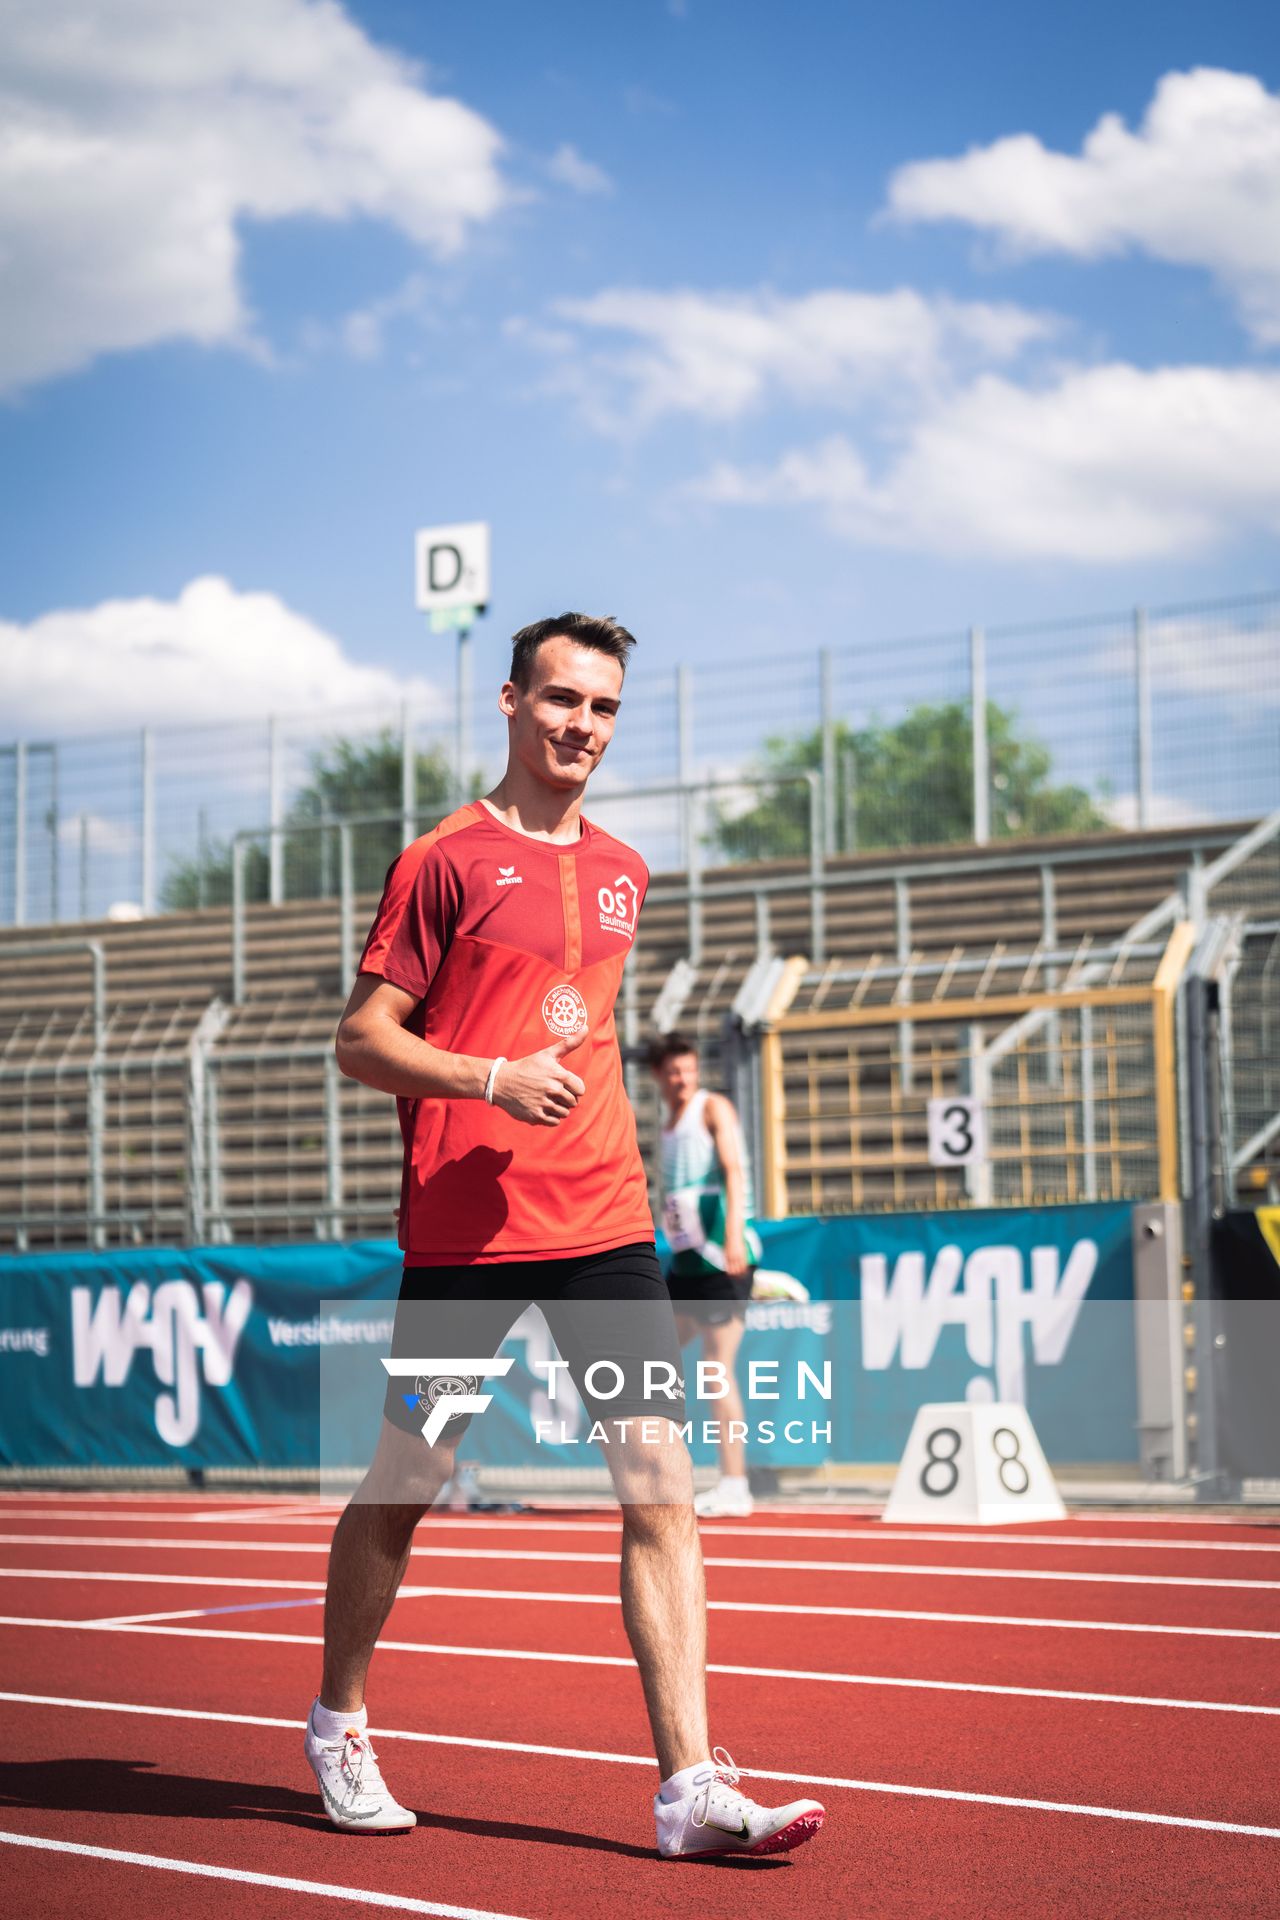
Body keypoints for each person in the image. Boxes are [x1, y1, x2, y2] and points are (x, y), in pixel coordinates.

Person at [305, 612, 825, 1861]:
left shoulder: (627, 869)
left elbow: (579, 1029)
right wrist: (486, 1079)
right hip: (468, 1237)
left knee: (660, 1489)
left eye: (601, 708)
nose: (580, 726)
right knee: (409, 1483)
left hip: (603, 1223)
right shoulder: (441, 859)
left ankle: (688, 1787)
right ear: (507, 700)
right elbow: (360, 1037)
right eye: (559, 700)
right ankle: (338, 1723)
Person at [650, 1032, 762, 1518]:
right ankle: (662, 1473)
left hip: (723, 1258)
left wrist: (735, 1234)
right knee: (655, 1365)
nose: (683, 1078)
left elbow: (735, 1171)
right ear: (658, 1076)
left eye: (689, 1069)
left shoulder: (712, 1108)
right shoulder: (668, 1123)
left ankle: (736, 1483)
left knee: (717, 1371)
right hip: (687, 1263)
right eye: (674, 1071)